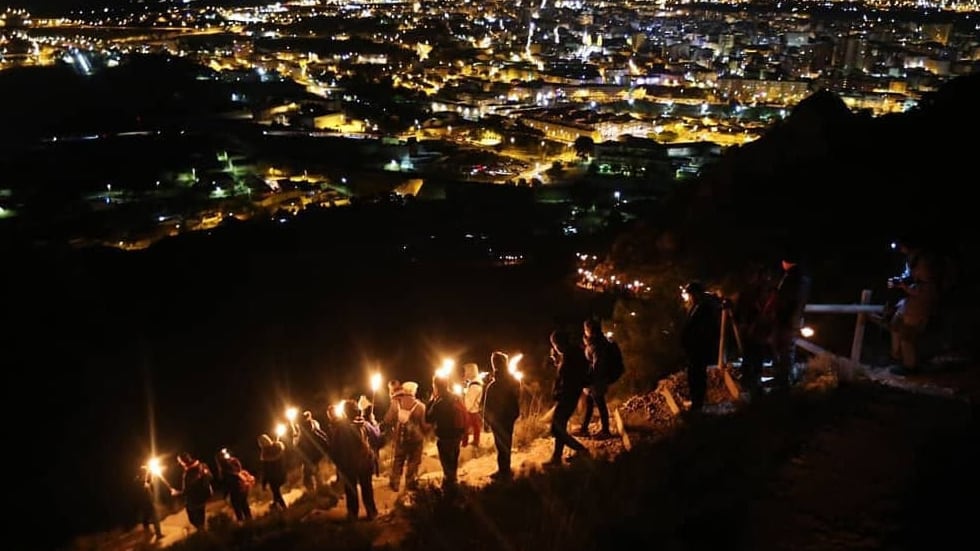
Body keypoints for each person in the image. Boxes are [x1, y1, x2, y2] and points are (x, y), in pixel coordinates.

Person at [889, 238, 942, 375]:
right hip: (915, 295)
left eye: (901, 247)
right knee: (896, 321)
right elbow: (911, 276)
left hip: (921, 298)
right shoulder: (913, 258)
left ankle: (910, 367)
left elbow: (924, 284)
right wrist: (901, 280)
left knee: (908, 333)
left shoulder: (924, 260)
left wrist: (903, 285)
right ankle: (898, 356)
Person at [766, 251, 812, 390]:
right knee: (788, 350)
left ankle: (782, 382)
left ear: (785, 263)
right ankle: (785, 380)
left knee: (782, 351)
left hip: (785, 321)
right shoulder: (804, 278)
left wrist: (776, 315)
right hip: (795, 319)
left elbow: (785, 301)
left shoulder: (790, 278)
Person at [545, 329, 590, 466]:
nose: (554, 348)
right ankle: (556, 457)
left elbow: (569, 376)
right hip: (568, 394)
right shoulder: (570, 353)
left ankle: (582, 450)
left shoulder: (572, 355)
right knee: (561, 425)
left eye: (554, 345)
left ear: (559, 343)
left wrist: (560, 390)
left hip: (568, 395)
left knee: (556, 428)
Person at [329, 399, 378, 520]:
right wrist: (373, 422)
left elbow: (334, 449)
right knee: (367, 488)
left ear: (345, 413)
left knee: (351, 490)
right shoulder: (365, 424)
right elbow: (377, 438)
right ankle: (371, 512)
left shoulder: (341, 429)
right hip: (365, 463)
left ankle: (352, 514)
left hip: (348, 465)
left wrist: (338, 463)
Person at [733, 262, 776, 397]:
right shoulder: (756, 292)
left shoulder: (754, 292)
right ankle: (751, 384)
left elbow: (740, 310)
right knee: (753, 356)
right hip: (755, 328)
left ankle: (751, 384)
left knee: (753, 356)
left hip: (756, 328)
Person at [680, 281, 722, 412]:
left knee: (697, 375)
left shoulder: (704, 308)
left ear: (697, 294)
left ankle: (697, 404)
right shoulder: (696, 306)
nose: (690, 297)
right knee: (693, 375)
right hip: (694, 348)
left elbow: (703, 329)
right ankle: (695, 401)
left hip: (699, 348)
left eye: (691, 294)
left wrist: (694, 341)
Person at [383, 380, 427, 492]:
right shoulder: (420, 406)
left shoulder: (395, 404)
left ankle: (395, 483)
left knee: (398, 460)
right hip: (416, 440)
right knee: (414, 461)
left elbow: (387, 420)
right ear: (413, 391)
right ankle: (410, 483)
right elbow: (425, 425)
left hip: (400, 438)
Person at [483, 351, 521, 480]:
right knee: (506, 443)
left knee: (501, 445)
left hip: (499, 419)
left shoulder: (494, 385)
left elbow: (488, 406)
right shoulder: (513, 380)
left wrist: (486, 421)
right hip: (509, 417)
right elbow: (517, 395)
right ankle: (505, 469)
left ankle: (504, 471)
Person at [425, 375, 466, 493]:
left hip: (445, 437)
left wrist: (431, 401)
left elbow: (428, 418)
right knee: (453, 459)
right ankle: (454, 481)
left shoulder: (439, 402)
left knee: (447, 462)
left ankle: (450, 487)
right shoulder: (455, 397)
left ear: (436, 386)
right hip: (457, 434)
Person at [580, 318, 615, 439]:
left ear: (591, 330)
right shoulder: (592, 342)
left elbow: (598, 364)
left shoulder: (597, 344)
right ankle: (584, 429)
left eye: (586, 329)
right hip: (592, 380)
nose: (584, 331)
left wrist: (591, 378)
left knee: (600, 404)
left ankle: (605, 431)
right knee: (589, 404)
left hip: (596, 380)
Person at [171, 452, 214, 532]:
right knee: (201, 518)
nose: (179, 463)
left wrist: (176, 493)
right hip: (203, 497)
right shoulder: (202, 465)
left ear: (183, 462)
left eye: (180, 461)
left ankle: (203, 536)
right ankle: (204, 533)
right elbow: (211, 477)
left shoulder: (188, 474)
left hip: (194, 501)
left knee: (194, 520)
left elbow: (187, 491)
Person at [215, 448, 253, 522]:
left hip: (236, 490)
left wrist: (225, 494)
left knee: (238, 507)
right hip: (242, 487)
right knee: (244, 505)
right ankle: (249, 521)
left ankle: (243, 523)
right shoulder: (231, 466)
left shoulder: (226, 471)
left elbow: (227, 484)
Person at [294, 410, 327, 494]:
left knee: (307, 476)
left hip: (310, 458)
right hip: (315, 457)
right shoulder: (314, 432)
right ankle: (321, 489)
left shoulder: (304, 436)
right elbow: (324, 440)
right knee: (315, 472)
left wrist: (295, 438)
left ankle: (313, 492)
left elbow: (296, 447)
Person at [257, 433, 288, 511]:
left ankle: (284, 508)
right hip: (281, 474)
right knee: (276, 493)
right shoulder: (277, 447)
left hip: (273, 478)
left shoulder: (265, 454)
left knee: (276, 493)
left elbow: (266, 471)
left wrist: (264, 483)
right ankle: (275, 505)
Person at [136, 465, 164, 541]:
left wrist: (151, 475)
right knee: (148, 520)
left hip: (149, 503)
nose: (146, 474)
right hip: (145, 504)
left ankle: (157, 534)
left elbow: (149, 483)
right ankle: (151, 534)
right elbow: (143, 487)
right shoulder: (138, 482)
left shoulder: (144, 481)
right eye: (145, 473)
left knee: (152, 519)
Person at [461, 362, 485, 447]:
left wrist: (463, 409)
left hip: (470, 411)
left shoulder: (475, 385)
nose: (465, 373)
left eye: (466, 371)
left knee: (465, 428)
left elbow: (469, 402)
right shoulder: (474, 383)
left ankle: (466, 445)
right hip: (473, 411)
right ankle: (474, 442)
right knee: (475, 426)